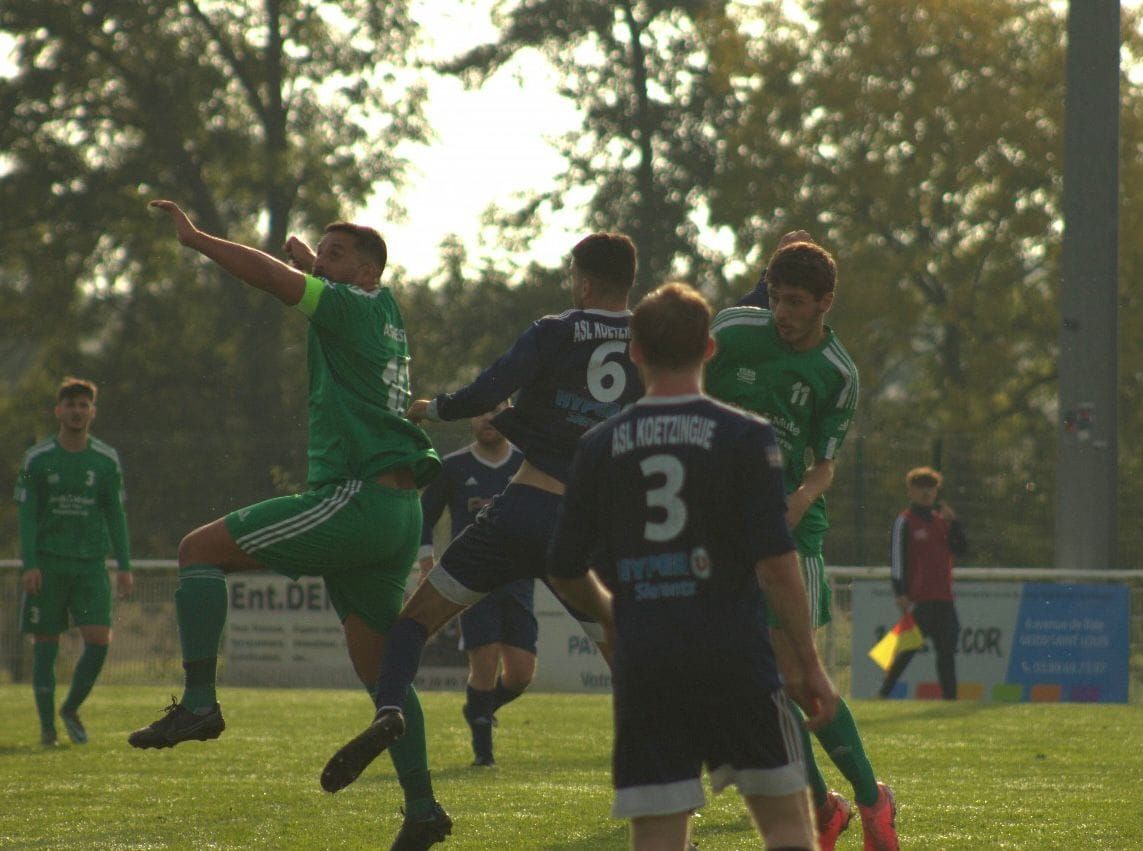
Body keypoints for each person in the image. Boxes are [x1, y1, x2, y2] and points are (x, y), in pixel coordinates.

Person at [128, 201, 451, 851]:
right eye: (319, 255)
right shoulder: (384, 309)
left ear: (365, 272)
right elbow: (322, 285)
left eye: (334, 257)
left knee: (198, 551)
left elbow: (271, 280)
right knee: (379, 671)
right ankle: (422, 808)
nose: (318, 263)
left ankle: (199, 702)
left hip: (354, 499)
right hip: (397, 510)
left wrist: (196, 240)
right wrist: (317, 266)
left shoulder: (349, 305)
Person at [320, 232, 644, 797]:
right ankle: (653, 772)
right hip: (584, 529)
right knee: (624, 653)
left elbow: (489, 390)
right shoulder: (650, 340)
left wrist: (433, 408)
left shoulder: (555, 329)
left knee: (413, 624)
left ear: (584, 283)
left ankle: (390, 708)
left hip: (522, 508)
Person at [548, 282, 838, 851]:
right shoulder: (744, 436)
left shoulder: (599, 445)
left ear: (635, 352)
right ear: (710, 349)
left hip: (648, 659)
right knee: (786, 830)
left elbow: (563, 567)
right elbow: (778, 566)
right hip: (735, 655)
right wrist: (808, 664)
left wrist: (612, 612)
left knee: (658, 835)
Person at [706, 240, 899, 851]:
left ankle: (872, 802)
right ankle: (824, 807)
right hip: (721, 527)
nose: (781, 311)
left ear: (825, 303)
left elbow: (823, 468)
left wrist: (788, 510)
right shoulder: (733, 332)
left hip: (791, 531)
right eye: (774, 297)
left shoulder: (838, 373)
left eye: (794, 302)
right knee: (759, 685)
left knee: (794, 676)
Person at [16, 377, 134, 747]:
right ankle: (47, 728)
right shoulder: (38, 458)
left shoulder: (105, 459)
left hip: (90, 565)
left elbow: (116, 515)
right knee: (46, 643)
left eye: (84, 405)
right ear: (58, 411)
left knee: (99, 639)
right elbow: (28, 516)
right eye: (71, 405)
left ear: (93, 412)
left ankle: (70, 708)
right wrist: (30, 564)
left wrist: (125, 566)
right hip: (49, 564)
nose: (77, 411)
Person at [417, 403, 535, 766]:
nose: (487, 417)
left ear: (510, 413)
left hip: (518, 577)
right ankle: (484, 754)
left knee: (520, 673)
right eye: (481, 411)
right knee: (484, 660)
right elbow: (424, 518)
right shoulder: (453, 466)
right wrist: (427, 565)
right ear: (471, 418)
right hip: (473, 578)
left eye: (496, 410)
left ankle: (479, 708)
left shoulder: (528, 463)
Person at [879, 466, 967, 701]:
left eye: (931, 488)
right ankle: (884, 693)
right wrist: (900, 591)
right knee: (906, 650)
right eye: (920, 488)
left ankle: (950, 699)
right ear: (911, 491)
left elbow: (961, 549)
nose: (926, 493)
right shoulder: (904, 520)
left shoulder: (942, 521)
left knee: (947, 652)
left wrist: (955, 523)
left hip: (944, 599)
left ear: (936, 491)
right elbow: (897, 559)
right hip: (920, 600)